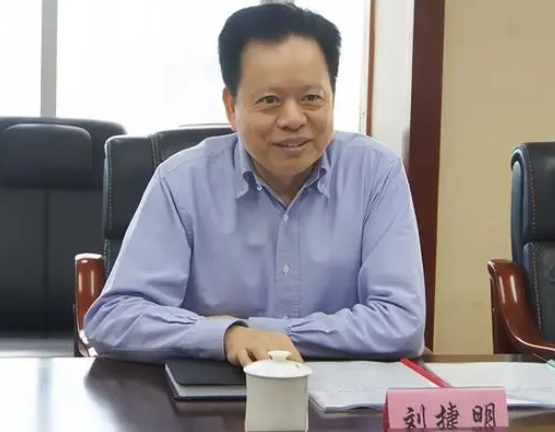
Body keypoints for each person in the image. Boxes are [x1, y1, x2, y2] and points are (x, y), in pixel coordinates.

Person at [84, 2, 426, 366]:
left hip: (341, 393)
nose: (293, 119)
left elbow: (401, 324)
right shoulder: (181, 182)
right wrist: (228, 338)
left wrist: (253, 332)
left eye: (311, 98)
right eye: (270, 101)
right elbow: (114, 319)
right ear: (231, 108)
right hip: (218, 389)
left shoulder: (376, 173)